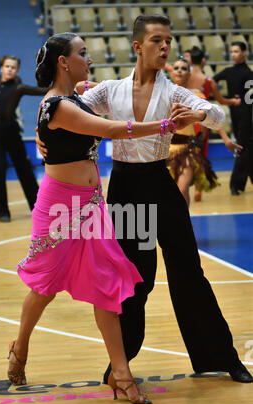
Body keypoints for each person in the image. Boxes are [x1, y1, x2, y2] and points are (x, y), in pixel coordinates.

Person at [37, 15, 253, 385]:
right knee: (136, 279)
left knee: (188, 271)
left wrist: (200, 113)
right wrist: (42, 137)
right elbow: (60, 109)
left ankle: (221, 356)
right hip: (126, 190)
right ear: (137, 46)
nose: (165, 47)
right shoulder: (109, 91)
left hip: (159, 183)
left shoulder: (173, 93)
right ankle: (121, 365)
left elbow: (216, 115)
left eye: (168, 40)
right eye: (157, 40)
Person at [8, 32, 199, 404]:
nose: (89, 58)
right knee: (45, 286)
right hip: (61, 208)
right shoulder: (59, 106)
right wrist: (164, 127)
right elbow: (113, 130)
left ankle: (121, 374)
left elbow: (85, 106)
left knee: (107, 284)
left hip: (92, 204)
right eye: (82, 53)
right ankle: (21, 348)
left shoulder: (74, 98)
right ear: (64, 62)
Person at [167, 59, 243, 206]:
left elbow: (210, 117)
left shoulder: (195, 95)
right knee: (168, 193)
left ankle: (185, 225)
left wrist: (226, 139)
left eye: (183, 68)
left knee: (182, 190)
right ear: (171, 72)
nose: (179, 70)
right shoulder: (162, 94)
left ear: (189, 73)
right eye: (176, 68)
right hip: (164, 150)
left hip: (187, 150)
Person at [0, 55, 47, 222]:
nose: (9, 69)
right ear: (1, 67)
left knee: (24, 169)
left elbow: (39, 91)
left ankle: (37, 206)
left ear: (17, 70)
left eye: (13, 67)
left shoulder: (18, 87)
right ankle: (2, 211)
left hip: (11, 131)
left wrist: (60, 87)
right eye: (7, 66)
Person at [186, 46, 241, 201]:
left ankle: (183, 185)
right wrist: (235, 101)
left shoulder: (183, 76)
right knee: (201, 156)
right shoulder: (208, 81)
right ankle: (198, 188)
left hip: (186, 120)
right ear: (203, 60)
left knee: (185, 155)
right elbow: (221, 101)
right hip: (203, 122)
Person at [213, 42, 253, 196]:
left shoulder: (248, 73)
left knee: (242, 146)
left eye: (236, 51)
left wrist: (242, 98)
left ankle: (235, 184)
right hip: (234, 112)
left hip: (245, 113)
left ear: (244, 52)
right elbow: (211, 81)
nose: (233, 54)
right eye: (231, 51)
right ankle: (240, 183)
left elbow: (251, 95)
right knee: (247, 146)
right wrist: (224, 99)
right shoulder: (229, 71)